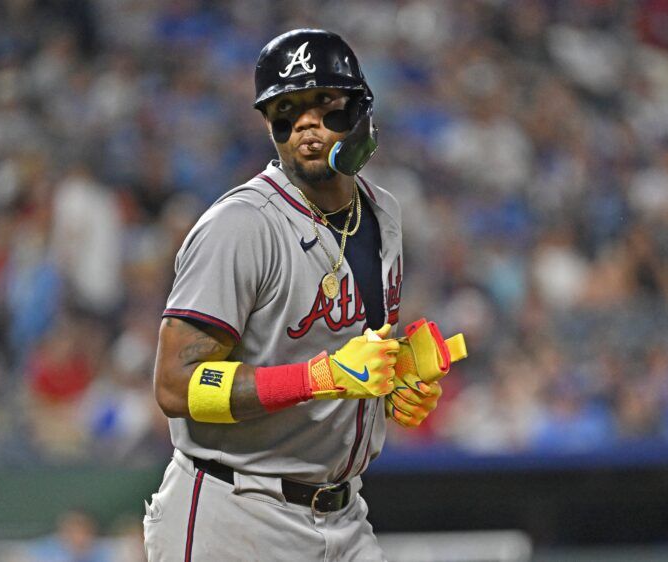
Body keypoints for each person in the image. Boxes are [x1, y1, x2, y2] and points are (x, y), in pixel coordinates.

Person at [144, 29, 445, 561]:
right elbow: (174, 384)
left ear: (361, 111)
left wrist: (393, 381)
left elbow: (349, 349)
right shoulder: (241, 226)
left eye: (324, 103)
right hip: (235, 512)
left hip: (345, 515)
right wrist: (318, 379)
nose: (306, 123)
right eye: (286, 110)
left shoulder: (384, 214)